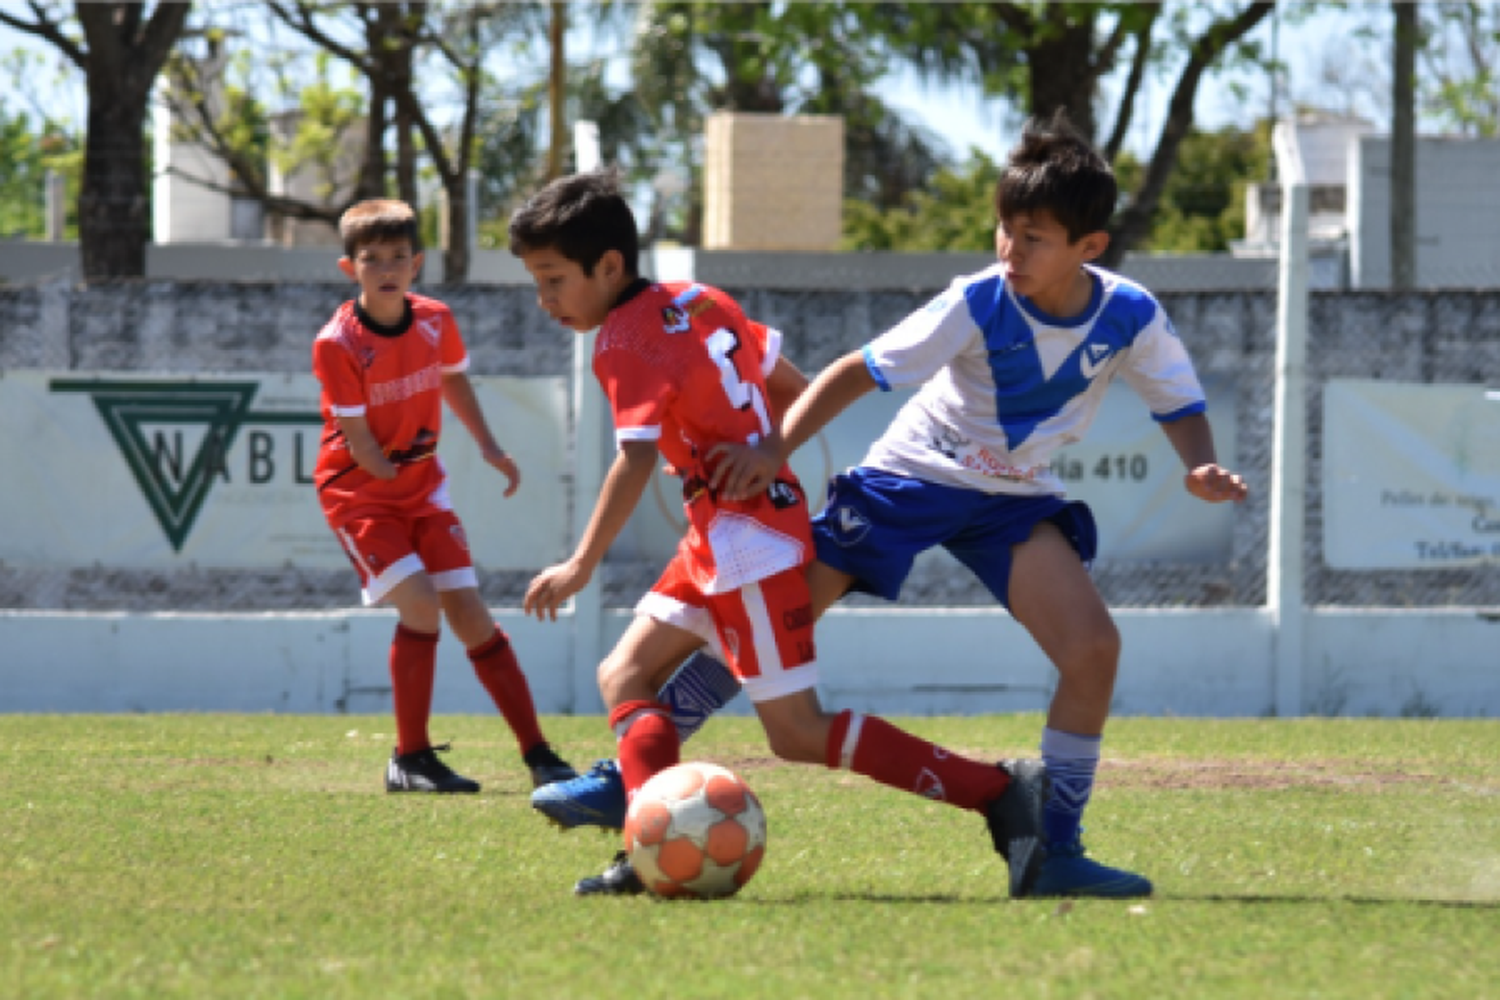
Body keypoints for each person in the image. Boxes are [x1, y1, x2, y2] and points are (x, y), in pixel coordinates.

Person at [532, 112, 1249, 898]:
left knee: (1093, 649)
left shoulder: (1131, 315)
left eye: (1034, 237)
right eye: (1004, 229)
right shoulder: (975, 300)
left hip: (1013, 499)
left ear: (1091, 248)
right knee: (765, 623)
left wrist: (1201, 464)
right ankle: (632, 772)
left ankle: (1054, 848)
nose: (1010, 249)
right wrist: (777, 449)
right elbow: (856, 370)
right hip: (910, 478)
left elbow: (1178, 401)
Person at [509, 170, 1050, 900]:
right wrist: (766, 457)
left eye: (552, 280)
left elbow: (634, 459)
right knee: (623, 675)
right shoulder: (701, 301)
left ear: (609, 266)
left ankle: (997, 790)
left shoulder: (622, 340)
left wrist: (581, 563)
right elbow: (793, 389)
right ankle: (646, 836)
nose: (544, 302)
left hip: (743, 543)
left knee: (795, 731)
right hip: (725, 529)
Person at [312, 198, 577, 795]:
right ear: (348, 267)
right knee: (424, 605)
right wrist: (403, 465)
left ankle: (540, 754)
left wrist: (487, 444)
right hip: (360, 496)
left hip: (422, 492)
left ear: (417, 263)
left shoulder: (434, 319)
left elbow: (451, 376)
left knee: (471, 615)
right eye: (372, 258)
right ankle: (410, 759)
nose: (387, 268)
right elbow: (361, 445)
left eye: (399, 257)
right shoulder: (338, 343)